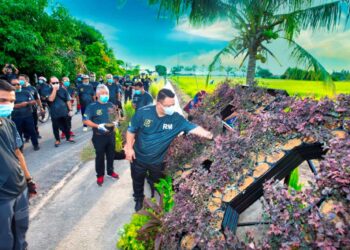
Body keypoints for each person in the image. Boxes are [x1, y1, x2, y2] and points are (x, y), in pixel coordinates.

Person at [125, 89, 213, 211]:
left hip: (158, 161)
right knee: (137, 180)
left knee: (159, 183)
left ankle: (161, 204)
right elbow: (131, 130)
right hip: (139, 157)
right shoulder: (143, 113)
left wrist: (208, 134)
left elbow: (192, 127)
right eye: (168, 105)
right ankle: (139, 199)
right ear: (158, 104)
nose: (171, 108)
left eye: (173, 104)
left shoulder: (176, 119)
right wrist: (129, 148)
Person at [0, 79, 37, 250]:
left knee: (21, 235)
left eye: (11, 101)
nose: (8, 104)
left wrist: (29, 180)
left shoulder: (9, 123)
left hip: (20, 189)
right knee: (4, 241)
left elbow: (18, 153)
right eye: (2, 100)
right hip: (3, 198)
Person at [83, 84, 120, 186]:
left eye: (107, 93)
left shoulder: (111, 105)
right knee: (100, 156)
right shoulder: (92, 107)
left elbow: (116, 116)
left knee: (111, 154)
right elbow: (85, 120)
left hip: (111, 135)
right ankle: (100, 175)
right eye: (103, 93)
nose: (105, 95)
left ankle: (110, 171)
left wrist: (116, 121)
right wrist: (97, 126)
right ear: (97, 94)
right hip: (99, 136)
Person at [41, 76, 75, 147]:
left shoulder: (63, 90)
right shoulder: (47, 90)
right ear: (50, 83)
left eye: (57, 82)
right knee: (55, 127)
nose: (56, 84)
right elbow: (51, 99)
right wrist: (54, 90)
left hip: (64, 112)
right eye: (54, 83)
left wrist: (70, 110)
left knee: (66, 126)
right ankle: (57, 140)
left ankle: (68, 137)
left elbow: (68, 100)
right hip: (55, 114)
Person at [10, 78, 40, 151]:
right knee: (18, 133)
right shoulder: (10, 94)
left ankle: (35, 145)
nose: (17, 85)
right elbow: (9, 105)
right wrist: (21, 105)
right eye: (14, 84)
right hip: (16, 117)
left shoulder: (26, 92)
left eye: (18, 84)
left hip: (28, 115)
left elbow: (34, 101)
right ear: (11, 85)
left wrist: (27, 103)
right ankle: (20, 148)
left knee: (32, 131)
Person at [20, 74, 44, 140]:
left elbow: (37, 99)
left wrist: (41, 107)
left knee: (35, 123)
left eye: (22, 79)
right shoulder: (18, 89)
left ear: (26, 80)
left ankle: (36, 134)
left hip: (33, 109)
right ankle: (27, 136)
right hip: (23, 110)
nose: (20, 81)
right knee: (24, 124)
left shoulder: (32, 88)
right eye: (19, 79)